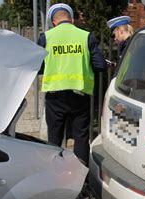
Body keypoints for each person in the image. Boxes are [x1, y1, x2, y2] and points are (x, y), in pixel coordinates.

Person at [38, 3, 106, 165]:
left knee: (54, 137)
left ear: (54, 22)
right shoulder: (85, 36)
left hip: (55, 96)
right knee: (81, 136)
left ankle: (55, 172)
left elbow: (38, 67)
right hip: (79, 95)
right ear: (72, 20)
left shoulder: (46, 37)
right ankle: (81, 177)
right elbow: (100, 65)